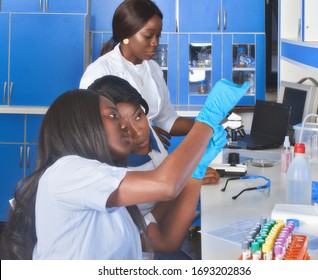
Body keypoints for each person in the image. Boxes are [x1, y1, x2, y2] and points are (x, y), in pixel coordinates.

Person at [0, 77, 250, 259]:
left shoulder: (110, 188)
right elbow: (166, 184)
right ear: (85, 127)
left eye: (135, 117)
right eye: (112, 117)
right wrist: (207, 118)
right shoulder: (67, 172)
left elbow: (165, 240)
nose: (125, 128)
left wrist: (195, 175)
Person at [79, 0, 195, 149]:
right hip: (117, 165)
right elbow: (88, 129)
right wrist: (143, 135)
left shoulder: (153, 69)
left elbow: (167, 120)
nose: (155, 43)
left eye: (158, 36)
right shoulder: (100, 71)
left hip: (151, 158)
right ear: (126, 35)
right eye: (148, 36)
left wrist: (205, 126)